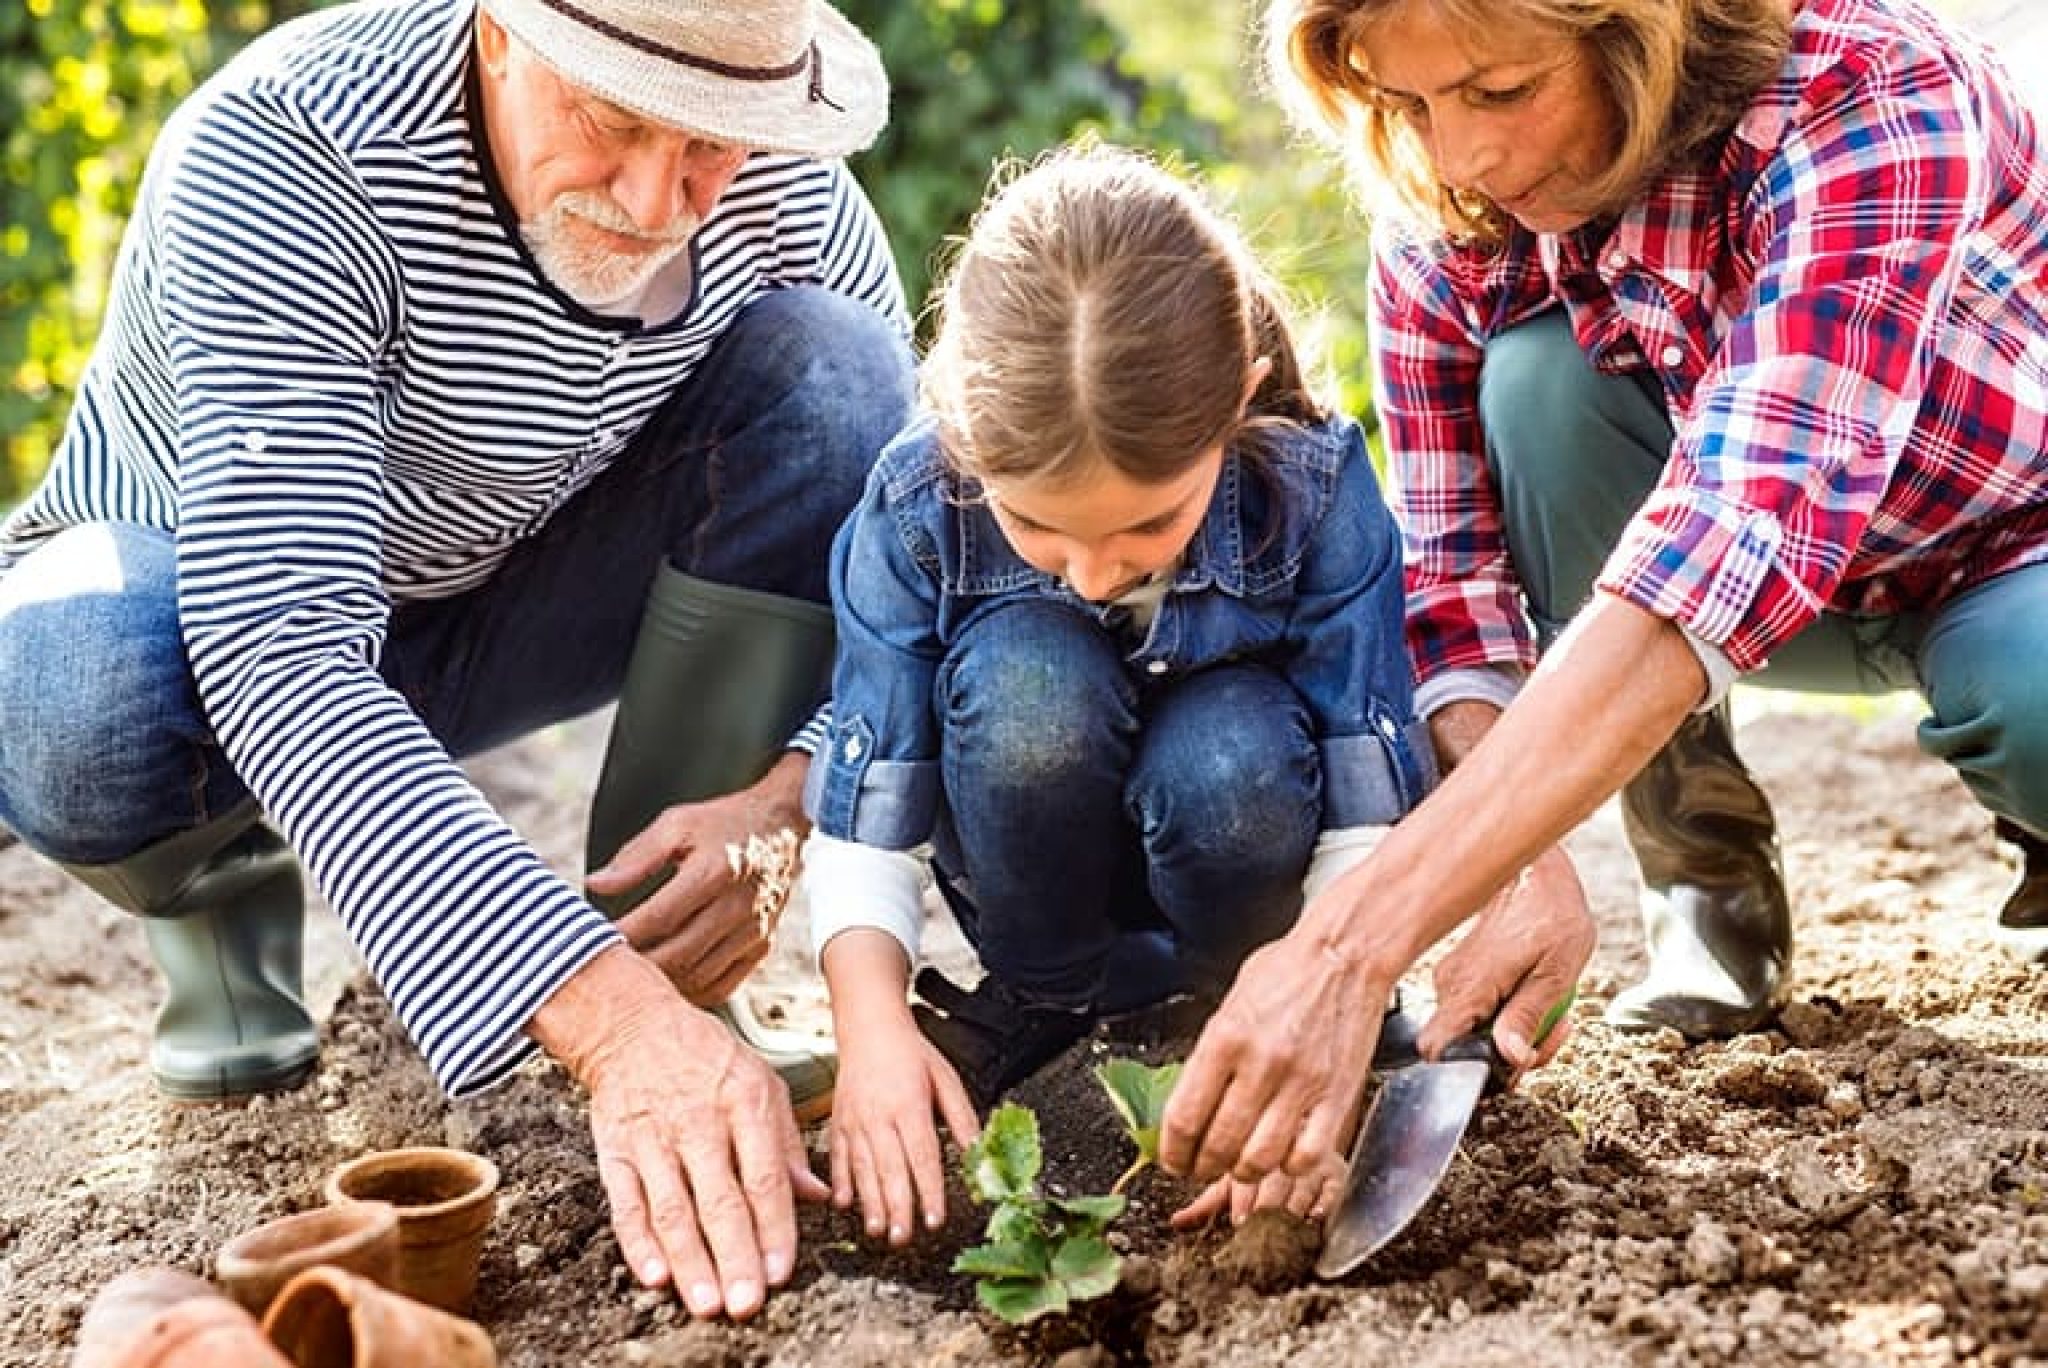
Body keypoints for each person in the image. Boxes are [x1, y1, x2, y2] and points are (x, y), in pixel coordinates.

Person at [0, 0, 917, 1321]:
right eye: (616, 120)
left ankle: (665, 948)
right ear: (498, 35)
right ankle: (229, 903)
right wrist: (601, 1027)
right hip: (202, 621)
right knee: (72, 694)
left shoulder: (794, 206)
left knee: (841, 379)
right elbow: (285, 647)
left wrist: (786, 806)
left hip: (500, 596)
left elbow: (916, 578)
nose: (665, 201)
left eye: (715, 143)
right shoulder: (292, 147)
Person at [1158, 0, 2048, 1195]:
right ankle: (1700, 863)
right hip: (1750, 596)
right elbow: (1451, 586)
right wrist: (1515, 869)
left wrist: (1350, 943)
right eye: (1410, 103)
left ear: (1640, 34)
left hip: (2001, 546)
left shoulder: (1872, 96)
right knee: (1535, 384)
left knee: (2029, 696)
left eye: (1497, 91)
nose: (1455, 155)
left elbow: (1726, 535)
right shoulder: (1452, 194)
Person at [798, 143, 1434, 1244]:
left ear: (1234, 404)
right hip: (1037, 891)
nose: (1096, 572)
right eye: (1036, 527)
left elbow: (1364, 795)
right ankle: (1047, 1008)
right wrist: (868, 1033)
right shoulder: (912, 507)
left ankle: (1239, 1011)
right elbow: (868, 814)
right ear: (958, 431)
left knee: (1228, 755)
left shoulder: (1315, 492)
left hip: (1250, 884)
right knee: (1023, 676)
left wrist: (1324, 993)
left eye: (1149, 523)